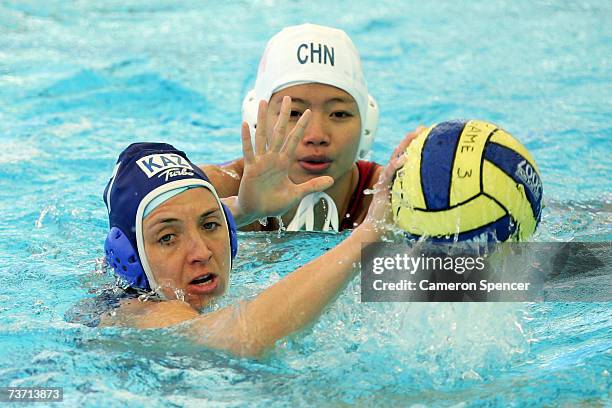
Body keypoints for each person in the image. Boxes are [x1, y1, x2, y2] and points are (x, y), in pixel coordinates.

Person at [100, 101, 417, 357]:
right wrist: (368, 235)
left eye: (210, 224)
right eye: (167, 238)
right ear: (129, 258)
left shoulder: (190, 270)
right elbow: (241, 339)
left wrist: (249, 209)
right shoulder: (138, 312)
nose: (202, 252)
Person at [202, 23, 420, 232]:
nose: (316, 136)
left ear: (367, 123)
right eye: (293, 113)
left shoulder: (393, 199)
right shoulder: (209, 193)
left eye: (339, 114)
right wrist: (241, 213)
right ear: (257, 120)